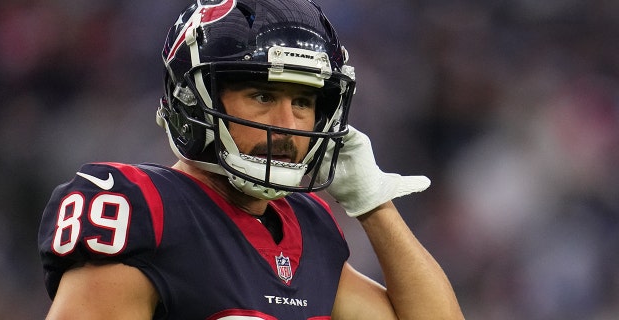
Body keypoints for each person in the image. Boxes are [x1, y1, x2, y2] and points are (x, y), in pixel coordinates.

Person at [38, 0, 464, 319]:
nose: (286, 124)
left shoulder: (306, 226)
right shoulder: (141, 208)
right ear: (193, 101)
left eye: (302, 102)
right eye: (262, 96)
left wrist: (375, 205)